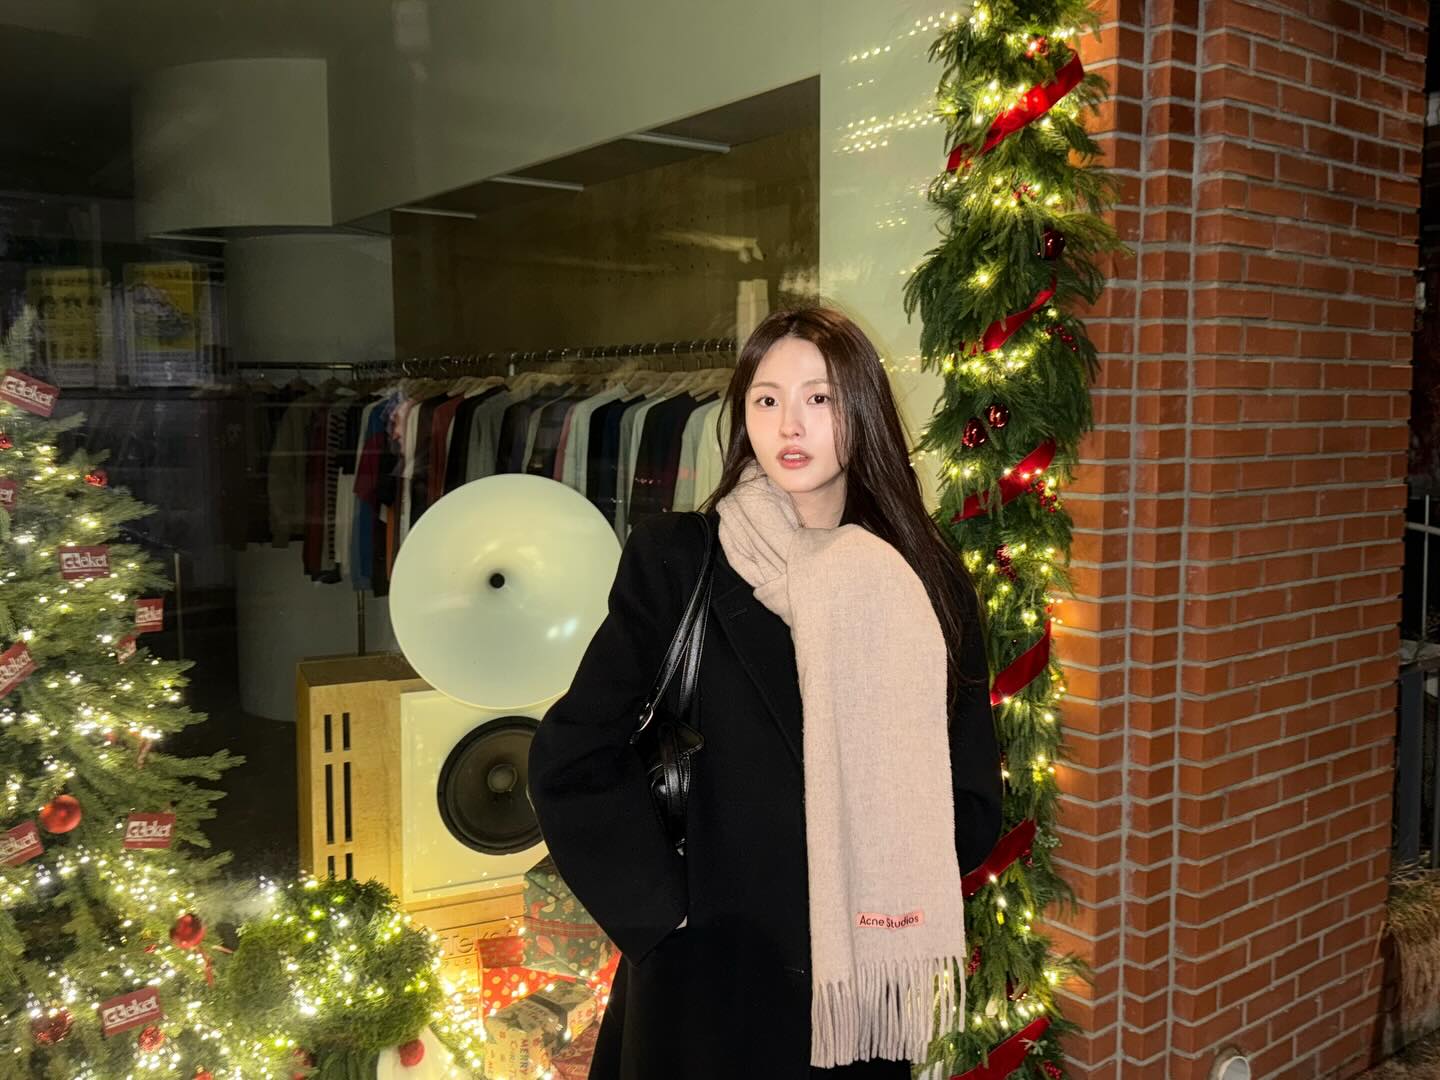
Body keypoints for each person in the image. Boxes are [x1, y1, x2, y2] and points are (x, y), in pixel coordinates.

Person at [527, 307, 1003, 1080]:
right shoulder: (680, 561)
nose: (790, 424)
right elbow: (572, 754)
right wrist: (667, 914)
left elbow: (970, 790)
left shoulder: (920, 582)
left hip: (854, 1003)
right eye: (767, 399)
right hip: (706, 994)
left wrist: (885, 886)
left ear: (862, 410)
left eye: (819, 398)